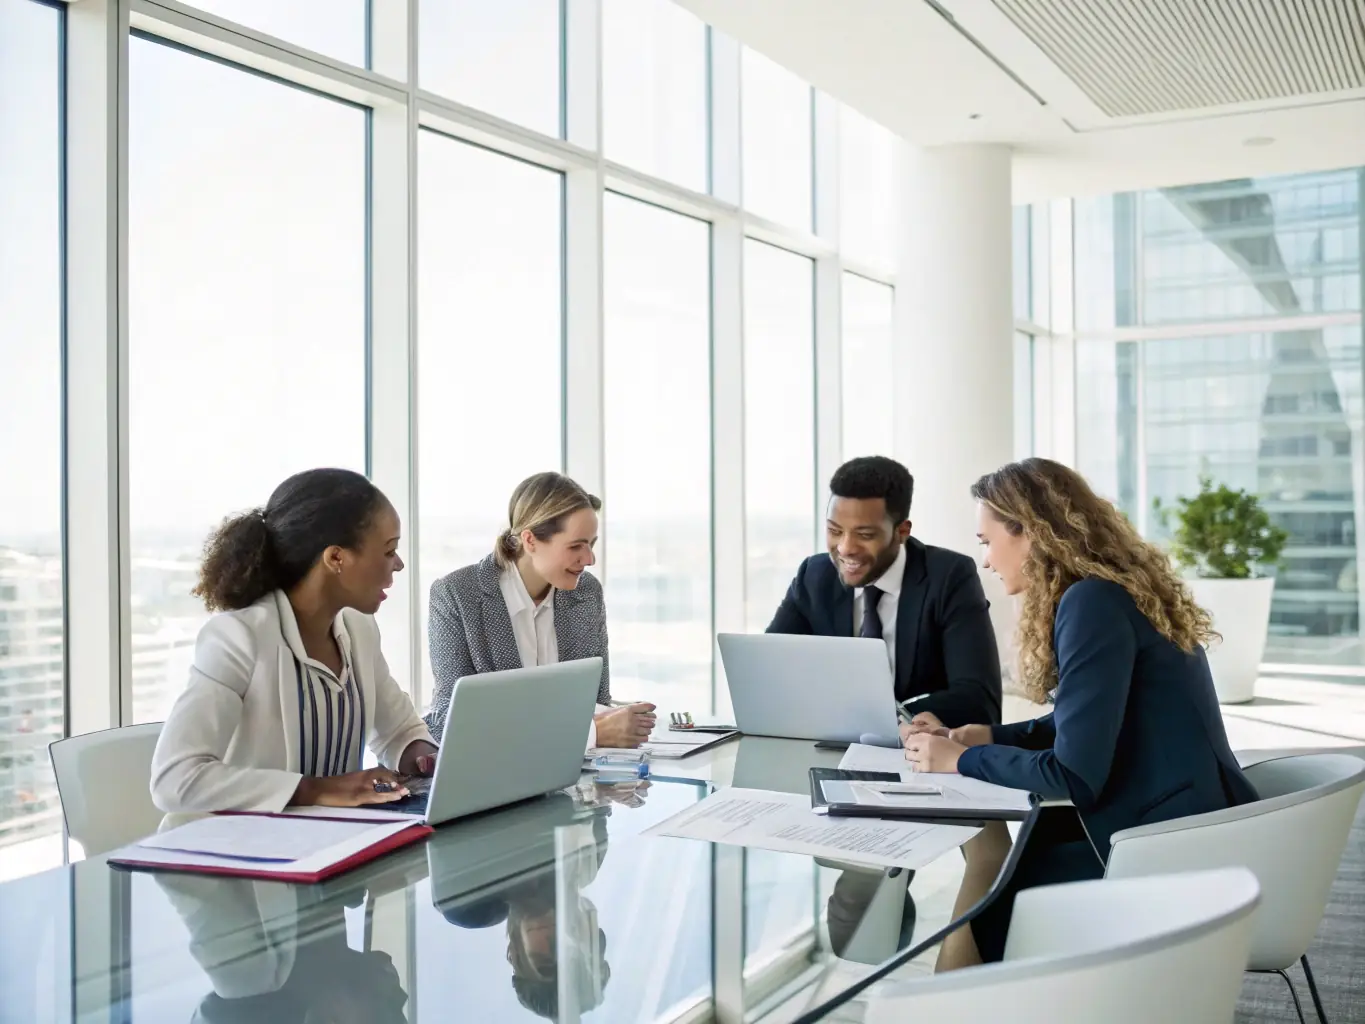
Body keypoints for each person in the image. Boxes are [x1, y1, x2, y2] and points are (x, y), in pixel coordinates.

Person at [903, 457, 1259, 965]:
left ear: (1028, 533)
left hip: (1163, 849)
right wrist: (982, 738)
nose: (984, 560)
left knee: (984, 912)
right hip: (1185, 822)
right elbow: (1086, 723)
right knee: (1001, 862)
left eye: (986, 541)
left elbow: (1073, 774)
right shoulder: (1110, 593)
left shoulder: (1090, 603)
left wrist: (954, 761)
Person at [150, 468, 438, 814]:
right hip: (237, 852)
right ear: (336, 558)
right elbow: (174, 780)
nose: (399, 564)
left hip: (330, 845)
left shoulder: (358, 629)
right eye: (389, 551)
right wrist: (315, 790)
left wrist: (425, 757)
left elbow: (398, 732)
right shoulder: (239, 638)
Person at [767, 456, 1002, 729]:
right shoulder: (814, 575)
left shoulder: (949, 576)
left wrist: (887, 714)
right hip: (822, 744)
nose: (845, 548)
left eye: (864, 535)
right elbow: (771, 669)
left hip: (913, 756)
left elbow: (980, 701)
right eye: (834, 531)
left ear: (902, 531)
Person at [426, 472, 655, 750]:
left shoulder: (586, 592)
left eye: (591, 544)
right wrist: (589, 735)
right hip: (489, 778)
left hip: (571, 775)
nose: (589, 559)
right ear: (530, 540)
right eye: (576, 546)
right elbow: (451, 724)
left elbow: (596, 701)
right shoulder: (457, 595)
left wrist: (619, 719)